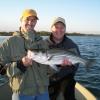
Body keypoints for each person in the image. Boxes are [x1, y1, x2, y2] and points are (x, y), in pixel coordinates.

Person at [0, 9, 50, 100]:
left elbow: (48, 69)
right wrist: (20, 65)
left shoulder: (42, 42)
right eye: (27, 19)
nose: (30, 22)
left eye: (33, 20)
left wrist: (58, 63)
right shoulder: (9, 43)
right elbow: (1, 70)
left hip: (43, 92)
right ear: (21, 20)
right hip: (22, 93)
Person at [45, 17, 80, 100]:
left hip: (66, 77)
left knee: (69, 93)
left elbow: (76, 64)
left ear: (65, 29)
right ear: (51, 28)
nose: (59, 30)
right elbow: (40, 63)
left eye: (62, 27)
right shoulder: (43, 44)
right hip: (49, 78)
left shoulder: (71, 45)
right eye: (56, 27)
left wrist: (69, 66)